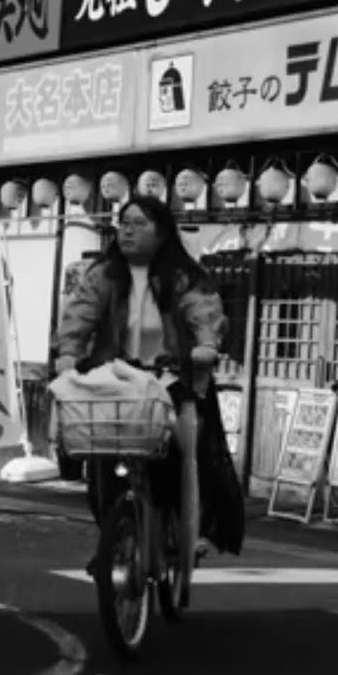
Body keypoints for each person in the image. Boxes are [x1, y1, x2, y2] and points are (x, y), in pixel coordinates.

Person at [53, 195, 244, 594]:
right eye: (123, 222)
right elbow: (79, 314)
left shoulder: (182, 275)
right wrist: (69, 355)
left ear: (161, 231)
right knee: (101, 459)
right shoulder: (104, 274)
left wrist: (206, 345)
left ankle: (188, 529)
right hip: (115, 381)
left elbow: (203, 310)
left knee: (187, 454)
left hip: (170, 379)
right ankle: (115, 534)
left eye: (139, 223)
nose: (127, 229)